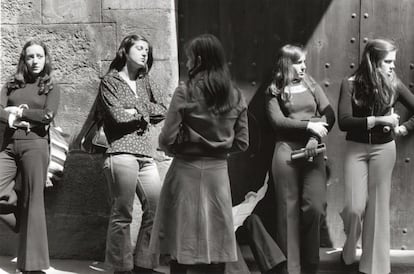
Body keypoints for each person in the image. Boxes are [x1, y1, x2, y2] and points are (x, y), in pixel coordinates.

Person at [149, 34, 249, 274]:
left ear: (200, 59)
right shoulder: (235, 95)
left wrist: (175, 148)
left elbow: (166, 138)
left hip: (185, 170)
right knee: (217, 239)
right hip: (217, 174)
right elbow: (243, 142)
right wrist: (220, 149)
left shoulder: (185, 93)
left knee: (179, 238)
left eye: (190, 58)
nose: (186, 63)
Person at [338, 38, 414, 274]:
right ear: (373, 61)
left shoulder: (394, 83)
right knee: (354, 207)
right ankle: (349, 246)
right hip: (356, 150)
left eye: (394, 61)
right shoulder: (349, 84)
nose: (393, 66)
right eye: (388, 61)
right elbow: (344, 122)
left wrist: (405, 128)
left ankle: (374, 268)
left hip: (384, 150)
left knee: (378, 210)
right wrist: (381, 120)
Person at [98, 34, 167, 274]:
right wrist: (143, 113)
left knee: (156, 208)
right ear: (125, 52)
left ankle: (144, 265)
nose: (144, 53)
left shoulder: (146, 81)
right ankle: (121, 267)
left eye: (147, 50)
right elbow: (117, 116)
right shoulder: (110, 81)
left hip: (146, 155)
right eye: (139, 48)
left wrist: (136, 109)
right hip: (121, 153)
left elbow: (163, 110)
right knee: (123, 212)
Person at [265, 44, 335, 274]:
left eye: (304, 62)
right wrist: (308, 125)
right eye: (299, 63)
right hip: (286, 152)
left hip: (313, 151)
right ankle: (291, 270)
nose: (304, 67)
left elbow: (330, 114)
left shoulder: (310, 83)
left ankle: (310, 267)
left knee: (314, 207)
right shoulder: (274, 90)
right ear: (287, 64)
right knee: (287, 212)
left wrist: (314, 136)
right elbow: (278, 122)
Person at [0, 40, 60, 273]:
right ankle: (24, 223)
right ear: (23, 60)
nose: (35, 61)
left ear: (46, 59)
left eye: (39, 56)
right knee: (20, 203)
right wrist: (12, 119)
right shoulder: (12, 84)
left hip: (35, 145)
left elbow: (47, 115)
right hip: (7, 145)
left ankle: (32, 266)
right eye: (30, 57)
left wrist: (20, 111)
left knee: (34, 201)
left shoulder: (51, 86)